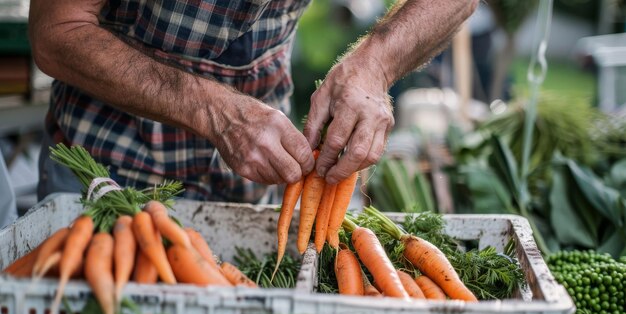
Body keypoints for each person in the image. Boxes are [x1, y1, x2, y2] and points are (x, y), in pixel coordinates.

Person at [31, 0, 478, 203]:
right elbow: (57, 32)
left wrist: (375, 65)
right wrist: (216, 111)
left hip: (252, 186)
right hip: (108, 178)